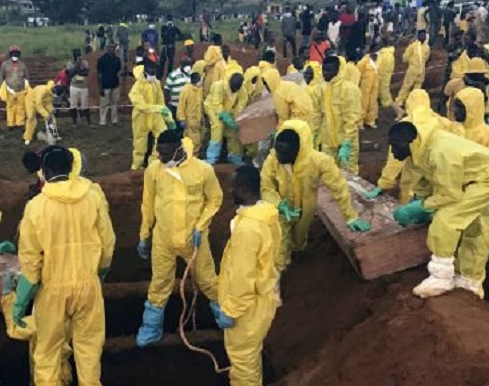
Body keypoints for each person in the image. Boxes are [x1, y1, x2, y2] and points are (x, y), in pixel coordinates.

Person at [13, 145, 114, 385]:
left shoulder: (36, 207)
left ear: (44, 171)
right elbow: (107, 242)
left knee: (47, 354)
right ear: (71, 168)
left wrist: (20, 302)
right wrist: (100, 272)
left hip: (52, 291)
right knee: (89, 352)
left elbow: (30, 260)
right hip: (88, 286)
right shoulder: (92, 197)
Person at [388, 118, 489, 299]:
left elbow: (449, 194)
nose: (393, 152)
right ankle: (469, 282)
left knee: (447, 218)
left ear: (409, 142)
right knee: (475, 227)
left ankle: (441, 277)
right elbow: (426, 180)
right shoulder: (421, 150)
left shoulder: (440, 151)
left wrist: (422, 208)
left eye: (395, 146)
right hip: (475, 178)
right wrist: (419, 199)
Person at [136, 130, 229, 347]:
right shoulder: (154, 170)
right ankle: (151, 328)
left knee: (207, 280)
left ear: (178, 149)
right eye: (159, 153)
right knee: (159, 283)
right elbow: (147, 204)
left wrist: (201, 226)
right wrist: (144, 235)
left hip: (193, 240)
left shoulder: (202, 170)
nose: (161, 158)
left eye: (165, 154)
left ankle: (224, 317)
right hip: (163, 240)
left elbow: (215, 199)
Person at [261, 120, 370, 271]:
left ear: (298, 150)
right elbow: (266, 187)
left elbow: (339, 187)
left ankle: (298, 254)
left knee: (299, 240)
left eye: (284, 153)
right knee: (280, 242)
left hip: (306, 209)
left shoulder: (319, 161)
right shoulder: (272, 161)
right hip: (280, 209)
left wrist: (350, 215)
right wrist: (279, 204)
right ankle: (278, 274)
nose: (279, 156)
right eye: (277, 150)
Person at [219, 165, 281, 385]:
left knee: (242, 358)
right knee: (251, 354)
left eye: (233, 187)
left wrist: (230, 309)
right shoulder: (267, 214)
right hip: (261, 297)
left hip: (248, 306)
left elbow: (242, 276)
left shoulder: (248, 230)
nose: (229, 191)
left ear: (244, 189)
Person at [320, 56, 361, 174]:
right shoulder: (325, 87)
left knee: (348, 174)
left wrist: (347, 142)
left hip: (346, 140)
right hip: (328, 139)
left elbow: (351, 119)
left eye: (328, 70)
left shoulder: (349, 89)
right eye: (323, 70)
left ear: (337, 70)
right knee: (328, 172)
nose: (324, 73)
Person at [204, 65, 248, 165]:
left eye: (237, 89)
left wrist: (235, 119)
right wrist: (223, 115)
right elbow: (216, 103)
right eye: (233, 88)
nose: (234, 90)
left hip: (228, 110)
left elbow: (240, 106)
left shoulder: (242, 90)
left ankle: (234, 156)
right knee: (218, 127)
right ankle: (212, 157)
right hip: (212, 107)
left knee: (232, 131)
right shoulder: (218, 86)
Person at [129, 64, 169, 169]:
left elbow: (161, 101)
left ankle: (154, 163)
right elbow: (141, 106)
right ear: (145, 73)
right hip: (141, 117)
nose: (153, 75)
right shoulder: (136, 88)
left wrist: (167, 116)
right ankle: (136, 167)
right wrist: (157, 109)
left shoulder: (156, 83)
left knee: (162, 135)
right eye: (151, 73)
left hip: (155, 116)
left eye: (154, 73)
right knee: (140, 142)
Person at [453, 88, 489, 159]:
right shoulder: (453, 128)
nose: (455, 110)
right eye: (455, 106)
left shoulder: (488, 136)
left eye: (460, 107)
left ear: (472, 109)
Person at [177, 61, 206, 155]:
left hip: (198, 120)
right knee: (193, 141)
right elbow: (181, 105)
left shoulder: (199, 90)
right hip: (189, 121)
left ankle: (191, 156)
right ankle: (192, 157)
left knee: (197, 139)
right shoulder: (186, 90)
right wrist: (181, 119)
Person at [395, 30, 431, 107]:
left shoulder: (427, 47)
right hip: (412, 69)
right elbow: (405, 58)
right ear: (418, 36)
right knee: (407, 85)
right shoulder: (412, 46)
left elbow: (426, 58)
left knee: (417, 88)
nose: (423, 37)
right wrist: (412, 63)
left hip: (422, 70)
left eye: (424, 35)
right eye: (421, 35)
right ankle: (399, 100)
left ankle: (413, 101)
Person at [0, 45, 30, 130]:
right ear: (10, 54)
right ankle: (11, 124)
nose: (15, 55)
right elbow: (1, 77)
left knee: (21, 107)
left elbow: (27, 77)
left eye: (17, 53)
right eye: (13, 53)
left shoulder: (23, 65)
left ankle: (20, 123)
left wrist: (27, 87)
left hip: (21, 90)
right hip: (9, 90)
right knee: (10, 107)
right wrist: (1, 88)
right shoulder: (5, 65)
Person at [24, 81, 57, 146]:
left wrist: (51, 110)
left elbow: (47, 102)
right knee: (31, 118)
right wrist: (45, 114)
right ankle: (27, 137)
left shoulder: (51, 93)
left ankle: (53, 135)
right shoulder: (42, 90)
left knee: (52, 118)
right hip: (31, 102)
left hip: (40, 103)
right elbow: (38, 105)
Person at [97, 44, 122, 126]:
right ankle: (102, 121)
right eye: (110, 47)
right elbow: (99, 74)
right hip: (105, 85)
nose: (112, 49)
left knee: (114, 103)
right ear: (107, 48)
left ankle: (114, 120)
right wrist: (100, 87)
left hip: (115, 84)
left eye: (113, 47)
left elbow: (118, 71)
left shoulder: (117, 59)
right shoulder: (102, 59)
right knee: (104, 104)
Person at [357, 47, 380, 129]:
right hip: (365, 87)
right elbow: (358, 72)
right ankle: (360, 122)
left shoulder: (378, 60)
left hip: (375, 86)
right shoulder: (364, 61)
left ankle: (370, 121)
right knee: (363, 103)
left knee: (373, 103)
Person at [69, 49, 91, 126]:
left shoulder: (85, 62)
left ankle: (89, 122)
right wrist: (78, 65)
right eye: (77, 54)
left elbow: (86, 73)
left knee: (85, 105)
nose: (79, 56)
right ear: (73, 55)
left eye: (79, 54)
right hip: (74, 86)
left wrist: (77, 71)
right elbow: (71, 73)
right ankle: (74, 122)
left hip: (83, 87)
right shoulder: (70, 63)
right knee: (73, 105)